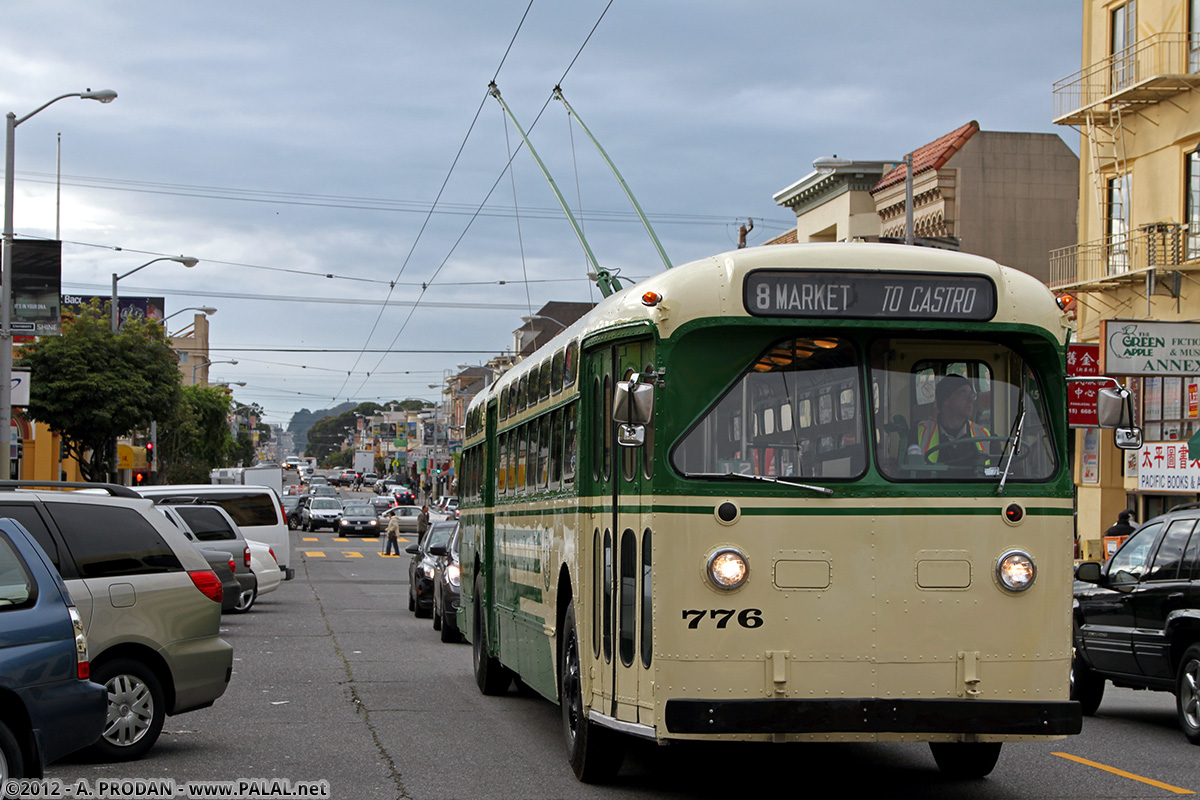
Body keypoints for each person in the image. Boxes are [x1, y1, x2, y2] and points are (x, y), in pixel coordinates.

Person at [916, 375, 992, 464]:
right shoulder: (919, 434)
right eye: (964, 394)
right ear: (945, 400)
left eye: (971, 395)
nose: (970, 400)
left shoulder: (986, 436)